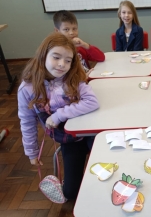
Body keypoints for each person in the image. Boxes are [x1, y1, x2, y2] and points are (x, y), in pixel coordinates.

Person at [18, 32, 100, 200]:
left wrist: (58, 116)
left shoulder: (73, 78)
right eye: (56, 57)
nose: (62, 64)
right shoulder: (27, 89)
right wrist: (32, 152)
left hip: (91, 135)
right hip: (69, 141)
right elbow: (27, 122)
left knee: (104, 176)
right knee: (70, 193)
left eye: (68, 60)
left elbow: (92, 102)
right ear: (43, 55)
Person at [53, 10, 105, 77]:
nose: (71, 33)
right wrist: (83, 78)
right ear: (57, 31)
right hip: (77, 84)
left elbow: (101, 58)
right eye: (66, 29)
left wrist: (86, 45)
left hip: (87, 80)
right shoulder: (58, 52)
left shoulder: (80, 47)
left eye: (74, 29)